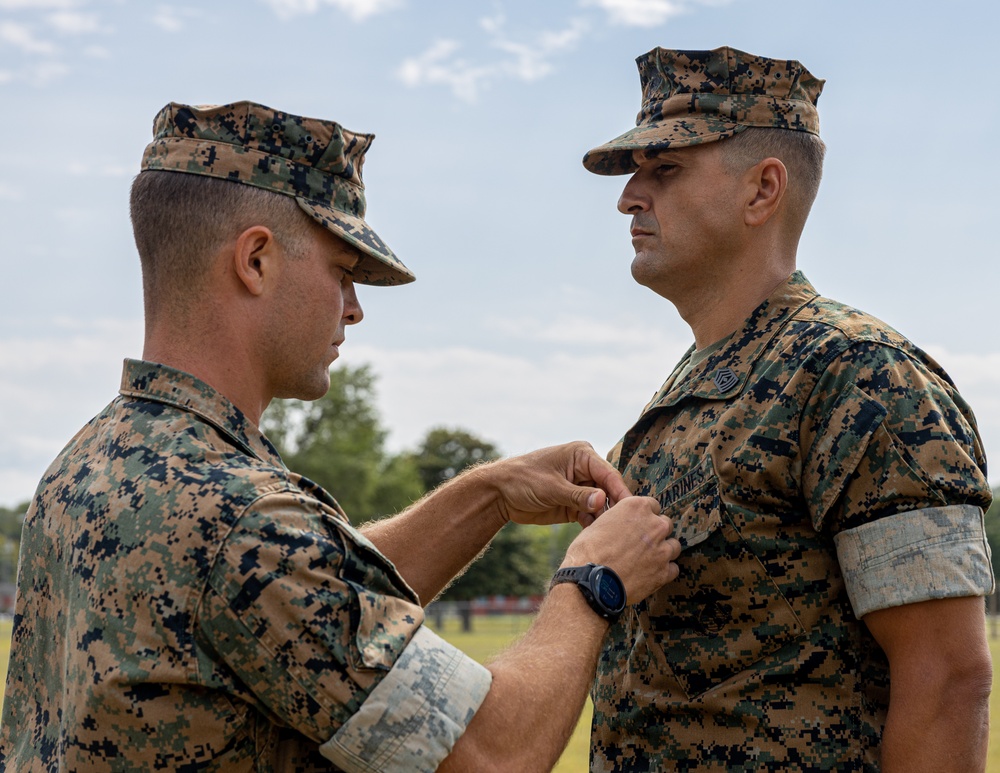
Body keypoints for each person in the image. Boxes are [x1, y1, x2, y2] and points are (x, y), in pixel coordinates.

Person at [0, 100, 683, 772]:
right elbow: (492, 752)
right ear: (257, 260)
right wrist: (595, 577)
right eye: (342, 272)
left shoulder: (87, 466)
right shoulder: (241, 517)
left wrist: (490, 494)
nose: (354, 309)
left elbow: (300, 609)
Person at [581, 46, 994, 772]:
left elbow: (948, 677)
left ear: (762, 190)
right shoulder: (684, 396)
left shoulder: (858, 375)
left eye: (665, 169)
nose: (629, 197)